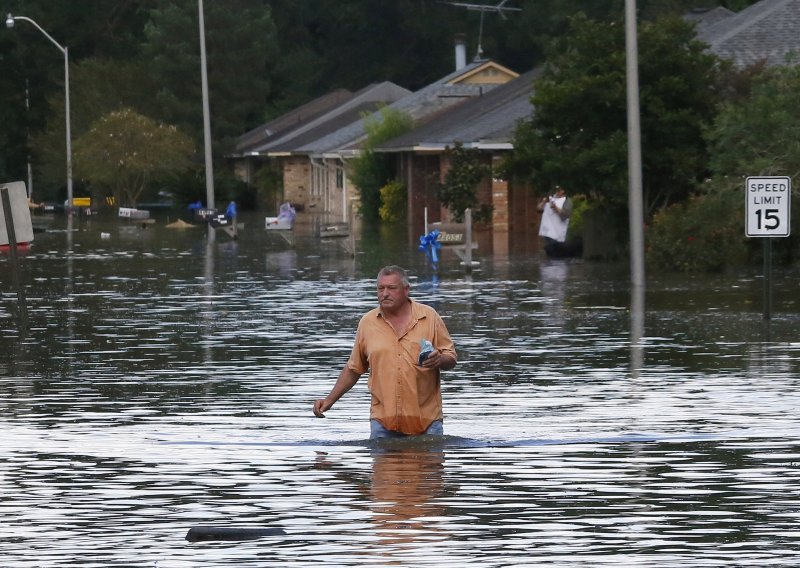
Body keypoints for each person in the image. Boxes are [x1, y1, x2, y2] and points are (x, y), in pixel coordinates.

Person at [313, 265, 457, 439]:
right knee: (384, 466)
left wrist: (440, 360)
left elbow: (451, 358)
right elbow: (354, 369)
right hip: (383, 422)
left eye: (391, 288)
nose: (385, 293)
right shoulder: (367, 323)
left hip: (427, 421)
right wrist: (329, 401)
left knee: (428, 464)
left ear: (406, 290)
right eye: (380, 288)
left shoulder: (429, 317)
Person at [537, 185, 574, 257]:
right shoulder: (550, 199)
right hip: (547, 233)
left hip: (557, 233)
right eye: (555, 190)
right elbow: (538, 209)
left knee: (556, 253)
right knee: (550, 251)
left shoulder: (567, 201)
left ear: (563, 191)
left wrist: (555, 207)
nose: (556, 192)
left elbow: (565, 215)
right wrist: (544, 202)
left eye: (558, 190)